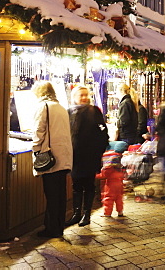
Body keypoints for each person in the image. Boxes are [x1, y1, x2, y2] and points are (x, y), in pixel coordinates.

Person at [32, 81, 73, 238]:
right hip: (63, 157)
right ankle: (57, 226)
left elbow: (38, 131)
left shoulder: (44, 106)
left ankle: (52, 228)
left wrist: (36, 149)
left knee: (51, 194)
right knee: (59, 195)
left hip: (51, 157)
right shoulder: (61, 107)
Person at [67, 85, 109, 226]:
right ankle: (76, 213)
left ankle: (86, 214)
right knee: (76, 185)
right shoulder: (69, 112)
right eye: (81, 95)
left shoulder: (94, 111)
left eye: (86, 94)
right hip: (74, 157)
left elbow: (103, 133)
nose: (84, 97)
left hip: (90, 156)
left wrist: (98, 151)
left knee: (89, 185)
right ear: (74, 97)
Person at [96, 151, 125, 217]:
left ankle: (107, 213)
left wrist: (95, 176)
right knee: (119, 198)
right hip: (119, 184)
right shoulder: (119, 169)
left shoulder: (108, 169)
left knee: (108, 198)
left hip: (110, 185)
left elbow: (103, 176)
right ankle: (120, 211)